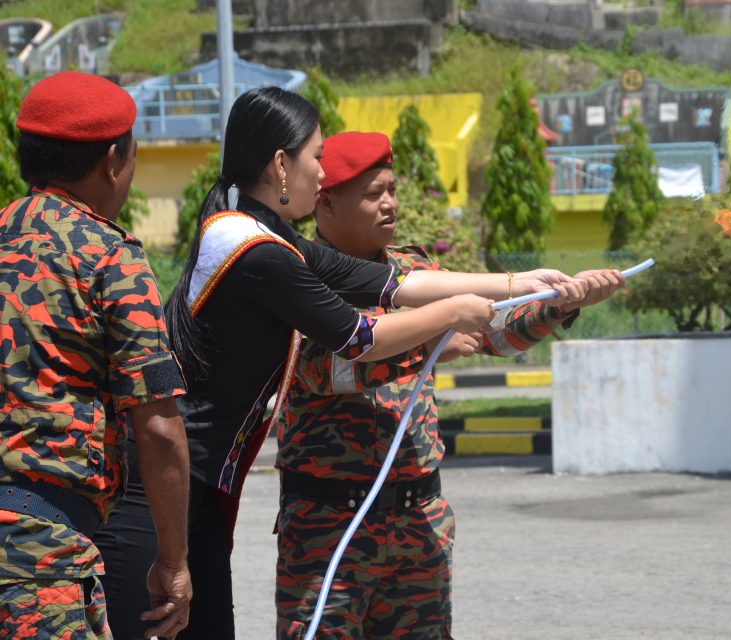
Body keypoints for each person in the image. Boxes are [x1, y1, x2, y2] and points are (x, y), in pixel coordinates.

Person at [95, 87, 586, 640]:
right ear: (282, 164)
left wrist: (520, 282)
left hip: (200, 489)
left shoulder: (268, 235)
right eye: (317, 157)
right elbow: (357, 337)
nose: (322, 173)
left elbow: (390, 283)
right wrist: (452, 313)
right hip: (159, 492)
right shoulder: (254, 250)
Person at [274, 131, 625, 639]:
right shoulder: (297, 276)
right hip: (328, 525)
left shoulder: (416, 272)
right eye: (374, 193)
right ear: (325, 203)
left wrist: (561, 303)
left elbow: (496, 333)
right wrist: (440, 330)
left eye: (392, 189)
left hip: (417, 522)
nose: (390, 203)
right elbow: (333, 369)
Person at [0, 71, 192, 639]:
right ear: (114, 159)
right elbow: (157, 427)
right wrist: (175, 561)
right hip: (41, 558)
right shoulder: (109, 258)